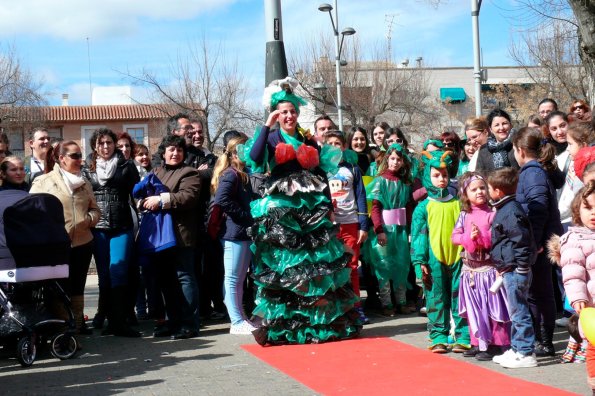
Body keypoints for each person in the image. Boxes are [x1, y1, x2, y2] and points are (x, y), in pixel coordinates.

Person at [246, 77, 361, 345]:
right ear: (277, 113)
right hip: (283, 208)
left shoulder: (305, 137)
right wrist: (267, 123)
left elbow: (320, 171)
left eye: (292, 111)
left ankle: (316, 321)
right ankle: (288, 324)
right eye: (284, 111)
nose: (289, 116)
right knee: (287, 263)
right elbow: (254, 156)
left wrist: (327, 205)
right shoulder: (271, 135)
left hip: (311, 205)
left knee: (313, 263)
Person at [30, 141, 100, 335]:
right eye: (75, 156)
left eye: (80, 156)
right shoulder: (43, 182)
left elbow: (95, 209)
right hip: (56, 245)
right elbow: (32, 212)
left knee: (78, 285)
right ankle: (62, 327)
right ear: (62, 158)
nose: (80, 160)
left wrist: (88, 220)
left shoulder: (84, 183)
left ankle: (77, 323)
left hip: (83, 242)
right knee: (60, 286)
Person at [138, 134, 201, 339]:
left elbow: (188, 197)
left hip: (181, 235)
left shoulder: (189, 173)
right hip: (160, 238)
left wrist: (161, 199)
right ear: (163, 153)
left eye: (179, 150)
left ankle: (189, 324)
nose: (175, 153)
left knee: (184, 278)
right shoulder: (155, 171)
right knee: (166, 281)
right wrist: (142, 202)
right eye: (171, 150)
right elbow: (142, 194)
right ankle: (172, 322)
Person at [82, 128, 141, 337]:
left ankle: (119, 321)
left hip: (121, 226)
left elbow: (137, 195)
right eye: (101, 143)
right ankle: (104, 316)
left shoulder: (127, 165)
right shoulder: (86, 168)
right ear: (94, 146)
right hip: (98, 228)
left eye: (109, 142)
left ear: (115, 144)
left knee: (119, 272)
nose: (105, 147)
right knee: (104, 275)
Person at [411, 149, 470, 353]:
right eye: (436, 175)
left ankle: (463, 336)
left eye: (444, 175)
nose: (441, 179)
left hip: (458, 259)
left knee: (460, 298)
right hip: (434, 260)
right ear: (428, 176)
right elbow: (418, 238)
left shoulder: (458, 204)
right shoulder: (423, 208)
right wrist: (420, 264)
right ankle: (438, 336)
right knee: (436, 298)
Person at [512, 127, 563, 357]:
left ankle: (544, 340)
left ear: (520, 150)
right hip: (540, 240)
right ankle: (541, 339)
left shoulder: (531, 173)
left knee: (539, 292)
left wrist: (534, 241)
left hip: (539, 243)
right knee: (539, 291)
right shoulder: (534, 170)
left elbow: (538, 207)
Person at [451, 172, 510, 361]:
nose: (479, 192)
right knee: (474, 310)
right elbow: (455, 237)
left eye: (482, 188)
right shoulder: (463, 214)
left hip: (488, 271)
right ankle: (478, 343)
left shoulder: (493, 214)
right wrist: (469, 238)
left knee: (493, 310)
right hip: (470, 271)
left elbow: (496, 239)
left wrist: (481, 238)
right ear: (465, 194)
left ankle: (497, 344)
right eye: (474, 189)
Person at [487, 167, 538, 369]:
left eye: (489, 188)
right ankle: (517, 348)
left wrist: (522, 267)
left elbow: (521, 241)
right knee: (516, 310)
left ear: (498, 191)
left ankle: (526, 351)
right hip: (511, 269)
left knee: (519, 311)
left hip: (517, 270)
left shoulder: (510, 212)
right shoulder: (505, 208)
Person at [211, 136, 254, 334]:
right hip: (233, 233)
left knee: (238, 278)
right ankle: (236, 321)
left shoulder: (241, 173)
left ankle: (240, 317)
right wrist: (245, 216)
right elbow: (222, 199)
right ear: (236, 153)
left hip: (240, 233)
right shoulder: (231, 174)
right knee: (232, 278)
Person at [325, 131, 370, 323]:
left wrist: (363, 226)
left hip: (351, 223)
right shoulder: (321, 169)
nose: (335, 147)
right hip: (330, 226)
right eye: (331, 143)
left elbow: (361, 196)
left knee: (351, 267)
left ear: (344, 147)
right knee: (331, 268)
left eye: (338, 143)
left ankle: (355, 307)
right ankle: (335, 308)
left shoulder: (352, 168)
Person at [365, 143, 414, 317]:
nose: (395, 162)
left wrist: (408, 230)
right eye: (392, 158)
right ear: (387, 159)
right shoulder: (380, 180)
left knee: (401, 265)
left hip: (400, 231)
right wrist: (379, 231)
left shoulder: (405, 183)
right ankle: (386, 303)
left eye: (399, 159)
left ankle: (401, 301)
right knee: (383, 266)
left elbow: (408, 207)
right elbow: (376, 207)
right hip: (384, 229)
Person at [557, 183, 595, 391]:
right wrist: (577, 297)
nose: (594, 213)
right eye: (588, 207)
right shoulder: (575, 239)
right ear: (577, 211)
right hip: (591, 310)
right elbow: (573, 273)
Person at [476, 109, 519, 174]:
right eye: (497, 125)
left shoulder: (518, 144)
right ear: (490, 129)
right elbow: (480, 175)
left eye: (504, 123)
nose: (501, 128)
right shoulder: (484, 150)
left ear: (510, 125)